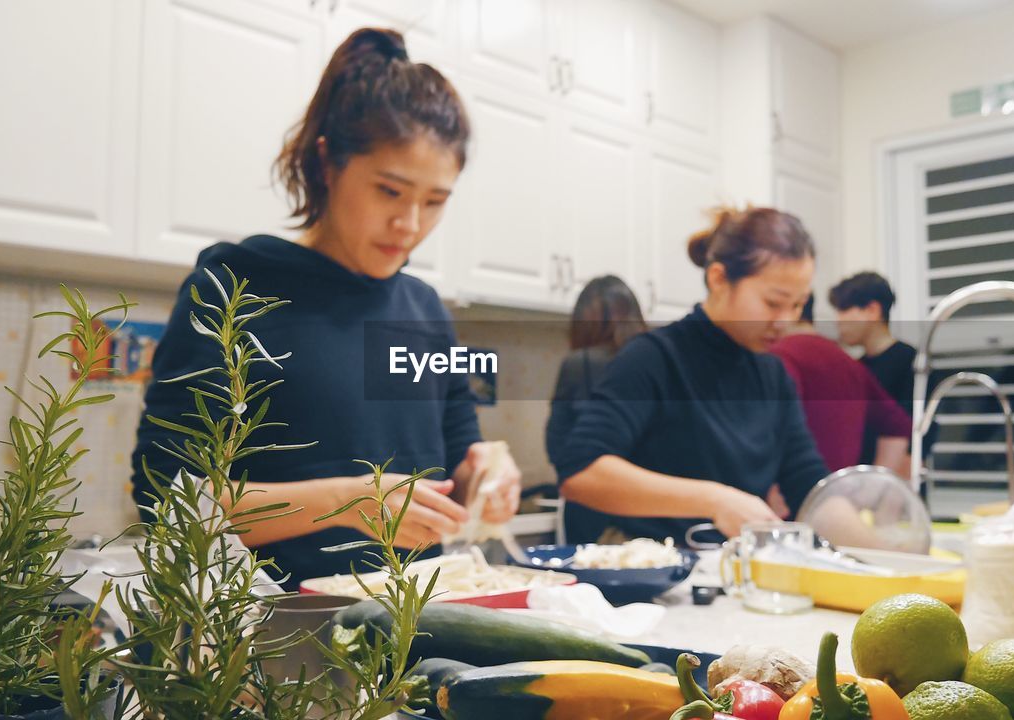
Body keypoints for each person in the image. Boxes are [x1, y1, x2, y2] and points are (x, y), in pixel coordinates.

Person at [131, 28, 521, 590]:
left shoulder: (424, 310)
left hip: (414, 638)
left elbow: (459, 461)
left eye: (435, 201)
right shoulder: (232, 285)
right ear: (328, 164)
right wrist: (346, 500)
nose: (410, 224)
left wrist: (487, 475)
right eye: (389, 191)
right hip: (267, 648)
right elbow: (167, 502)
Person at [555, 207, 830, 542]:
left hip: (732, 575)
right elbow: (581, 472)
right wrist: (714, 500)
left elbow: (808, 483)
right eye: (774, 303)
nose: (785, 320)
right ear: (718, 279)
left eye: (798, 304)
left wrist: (889, 546)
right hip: (650, 574)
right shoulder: (652, 358)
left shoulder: (774, 377)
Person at [545, 275, 649, 543]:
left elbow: (558, 446)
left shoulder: (580, 365)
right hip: (654, 511)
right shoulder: (654, 363)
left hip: (593, 512)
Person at [768, 294, 912, 478]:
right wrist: (874, 488)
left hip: (790, 498)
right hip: (838, 496)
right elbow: (897, 426)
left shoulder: (778, 357)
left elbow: (774, 432)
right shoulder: (849, 362)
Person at [829, 271, 918, 464]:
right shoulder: (856, 367)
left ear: (872, 310)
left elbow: (918, 430)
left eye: (844, 310)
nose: (838, 320)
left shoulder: (910, 361)